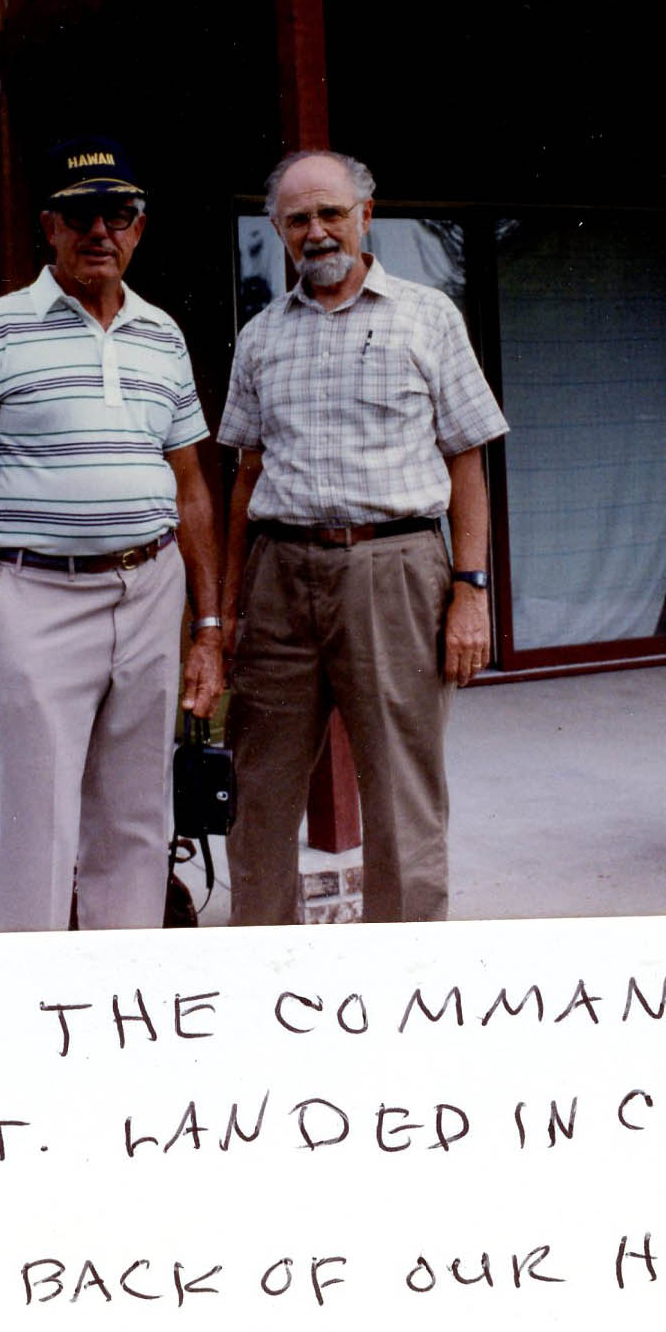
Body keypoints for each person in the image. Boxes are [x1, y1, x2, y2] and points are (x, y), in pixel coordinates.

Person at [0, 143, 226, 931]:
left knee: (138, 813)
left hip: (151, 591)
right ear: (50, 226)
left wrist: (206, 625)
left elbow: (191, 490)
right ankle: (37, 986)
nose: (100, 230)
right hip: (39, 595)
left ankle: (123, 984)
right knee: (40, 820)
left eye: (117, 214)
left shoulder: (162, 334)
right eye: (81, 214)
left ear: (138, 229)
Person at [217, 148, 505, 926]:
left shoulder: (427, 316)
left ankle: (400, 975)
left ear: (365, 217)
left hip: (394, 568)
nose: (315, 232)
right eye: (297, 219)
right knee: (258, 795)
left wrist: (470, 591)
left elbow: (466, 460)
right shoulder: (259, 337)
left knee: (402, 800)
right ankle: (263, 966)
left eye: (330, 214)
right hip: (278, 575)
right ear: (278, 230)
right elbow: (245, 476)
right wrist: (228, 608)